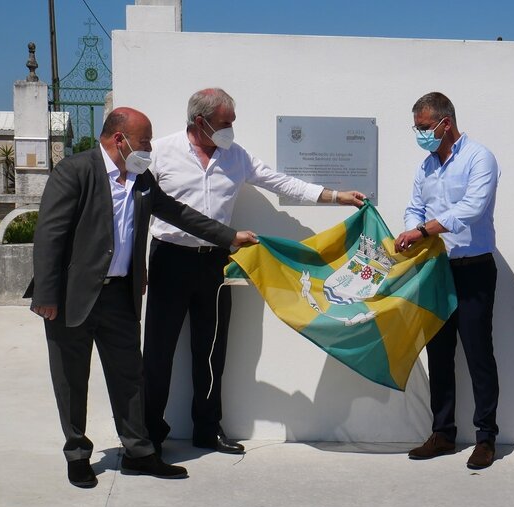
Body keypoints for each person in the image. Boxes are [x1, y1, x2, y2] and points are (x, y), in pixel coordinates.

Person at [26, 107, 258, 488]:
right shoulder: (75, 171)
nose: (149, 148)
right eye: (145, 141)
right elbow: (49, 236)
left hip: (120, 295)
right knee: (71, 378)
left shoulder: (141, 178)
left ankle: (139, 452)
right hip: (71, 297)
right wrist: (46, 295)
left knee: (130, 377)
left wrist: (228, 236)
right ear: (120, 139)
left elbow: (178, 212)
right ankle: (78, 454)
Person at [143, 88, 365, 456]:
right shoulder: (162, 152)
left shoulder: (236, 156)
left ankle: (207, 428)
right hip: (169, 259)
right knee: (158, 352)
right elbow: (136, 205)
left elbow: (279, 181)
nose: (231, 129)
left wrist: (334, 196)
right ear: (201, 122)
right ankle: (149, 434)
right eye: (225, 123)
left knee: (212, 351)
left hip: (216, 263)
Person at [394, 92, 500, 470]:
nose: (420, 134)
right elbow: (414, 206)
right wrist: (412, 230)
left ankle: (486, 437)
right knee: (438, 354)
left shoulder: (479, 158)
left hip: (473, 268)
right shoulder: (425, 166)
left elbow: (471, 209)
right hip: (435, 269)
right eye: (417, 128)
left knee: (477, 353)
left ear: (445, 123)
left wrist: (422, 231)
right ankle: (442, 432)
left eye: (424, 127)